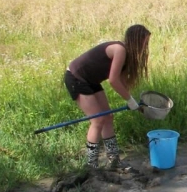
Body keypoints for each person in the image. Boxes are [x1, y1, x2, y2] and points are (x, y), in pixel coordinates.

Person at [64, 24, 151, 169]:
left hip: (90, 80)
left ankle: (114, 160)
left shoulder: (127, 56)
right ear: (136, 40)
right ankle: (91, 166)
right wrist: (130, 100)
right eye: (145, 42)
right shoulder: (119, 50)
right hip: (76, 77)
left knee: (108, 117)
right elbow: (113, 81)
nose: (146, 46)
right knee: (97, 120)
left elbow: (122, 82)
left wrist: (133, 101)